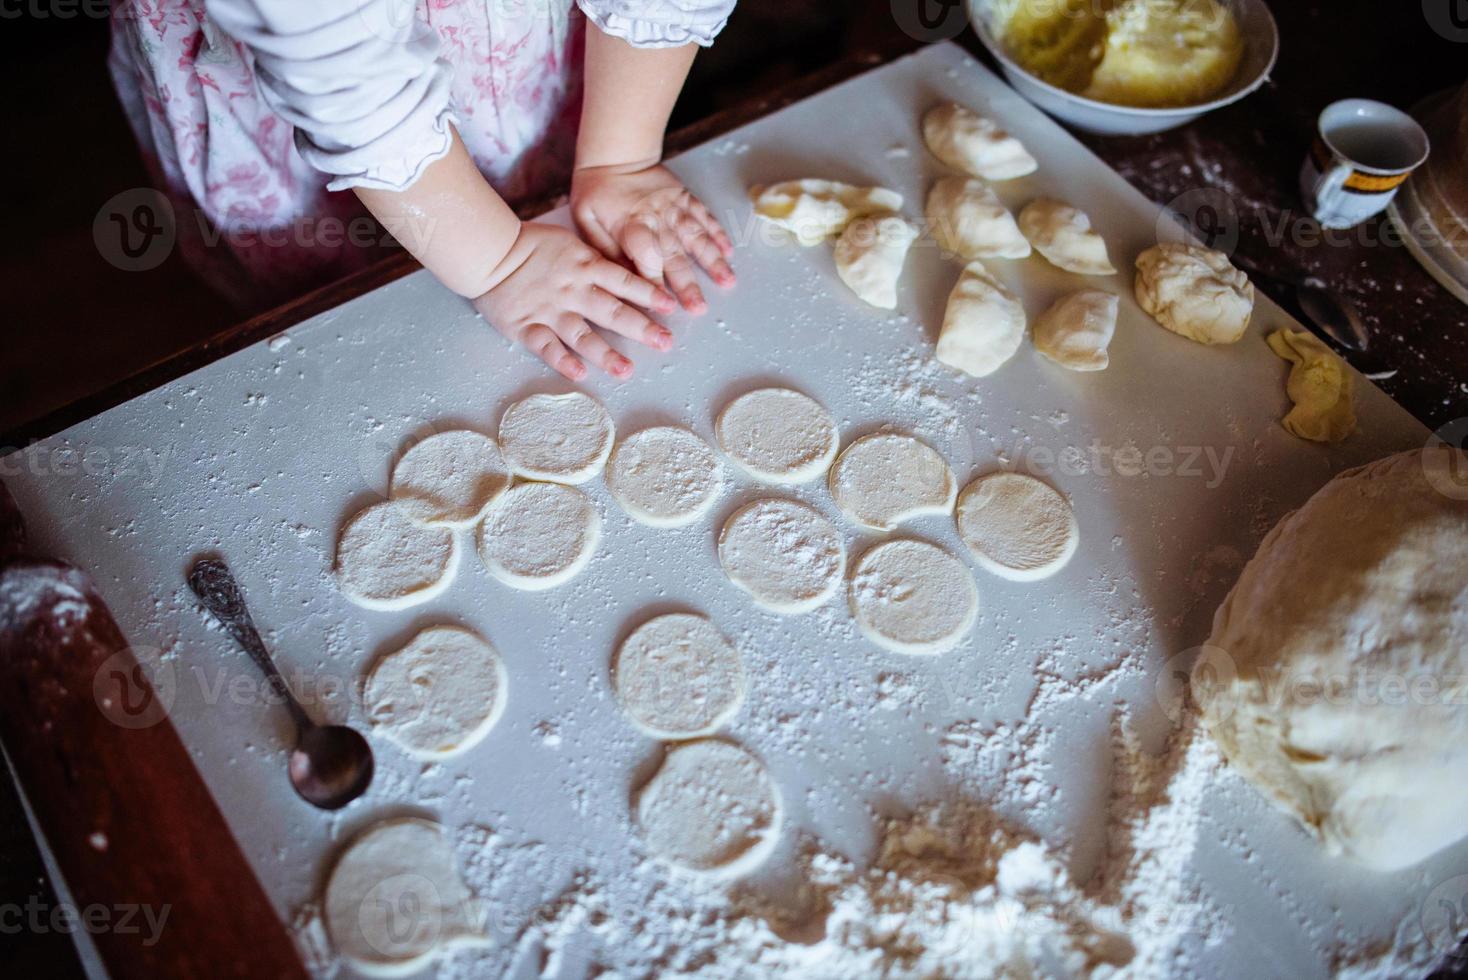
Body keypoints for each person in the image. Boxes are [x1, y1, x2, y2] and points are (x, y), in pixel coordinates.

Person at [108, 0, 739, 380]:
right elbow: (345, 77)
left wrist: (620, 155)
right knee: (326, 283)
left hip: (516, 44)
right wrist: (497, 263)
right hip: (298, 84)